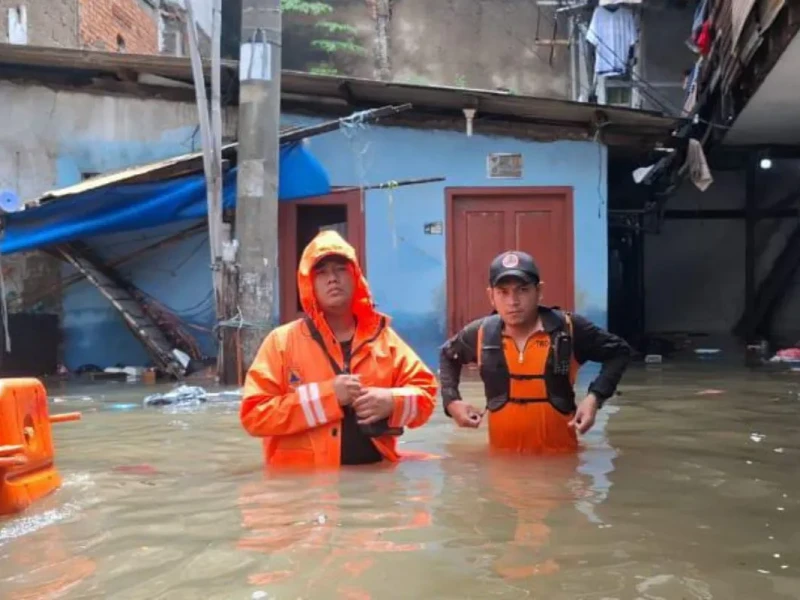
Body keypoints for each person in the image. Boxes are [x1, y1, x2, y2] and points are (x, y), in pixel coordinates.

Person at [240, 230, 438, 468]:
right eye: (321, 272)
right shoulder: (281, 342)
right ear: (308, 284)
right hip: (304, 491)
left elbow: (426, 395)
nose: (332, 278)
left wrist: (392, 401)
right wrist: (328, 397)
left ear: (355, 276)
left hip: (375, 484)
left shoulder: (385, 339)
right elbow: (254, 416)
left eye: (340, 269)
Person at [439, 250, 632, 454]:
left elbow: (619, 351)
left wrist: (594, 398)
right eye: (503, 292)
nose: (513, 301)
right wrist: (452, 401)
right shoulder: (480, 333)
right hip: (501, 467)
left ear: (539, 291)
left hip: (562, 465)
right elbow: (448, 355)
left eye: (522, 290)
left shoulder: (569, 329)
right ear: (491, 296)